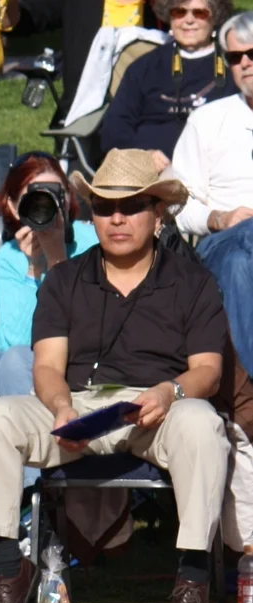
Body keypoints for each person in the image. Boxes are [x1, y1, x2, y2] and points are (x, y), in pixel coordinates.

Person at [0, 149, 230, 603]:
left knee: (201, 422)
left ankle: (193, 580)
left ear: (158, 215)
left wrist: (171, 391)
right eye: (105, 207)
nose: (116, 218)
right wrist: (62, 406)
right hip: (81, 404)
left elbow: (207, 372)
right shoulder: (65, 278)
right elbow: (46, 366)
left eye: (131, 206)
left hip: (158, 407)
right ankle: (9, 573)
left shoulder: (191, 280)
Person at [0, 152, 98, 497]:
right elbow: (14, 338)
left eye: (54, 194)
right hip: (20, 362)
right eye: (35, 197)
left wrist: (58, 258)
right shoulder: (8, 259)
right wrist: (34, 270)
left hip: (77, 363)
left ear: (68, 198)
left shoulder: (91, 243)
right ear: (16, 206)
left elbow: (85, 329)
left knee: (18, 359)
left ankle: (36, 493)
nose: (46, 205)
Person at [173, 10, 253, 380]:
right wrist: (219, 218)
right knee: (239, 251)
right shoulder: (208, 120)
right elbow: (177, 203)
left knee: (241, 263)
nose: (245, 64)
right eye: (235, 58)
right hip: (221, 238)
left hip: (238, 255)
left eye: (252, 53)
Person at [100, 0, 233, 169]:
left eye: (199, 13)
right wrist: (140, 156)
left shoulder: (234, 64)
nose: (188, 20)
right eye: (179, 12)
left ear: (215, 17)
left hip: (213, 169)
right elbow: (114, 129)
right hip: (146, 173)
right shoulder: (145, 67)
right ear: (169, 16)